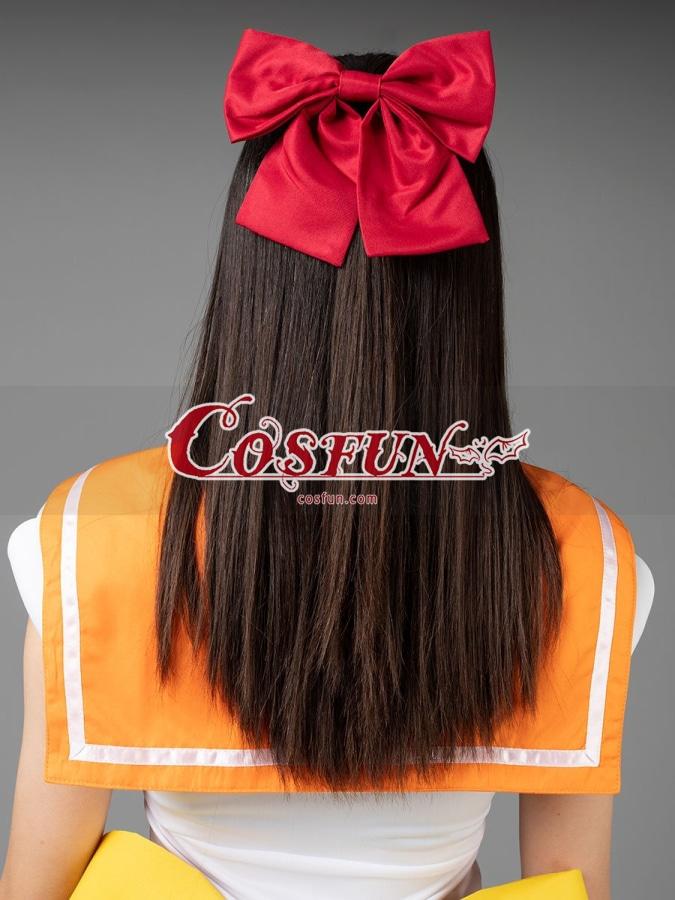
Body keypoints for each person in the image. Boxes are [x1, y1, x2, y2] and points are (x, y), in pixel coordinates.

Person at [1, 29, 654, 900]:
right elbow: (568, 885)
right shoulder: (584, 563)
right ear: (471, 292)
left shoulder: (87, 541)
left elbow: (35, 886)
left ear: (250, 282)